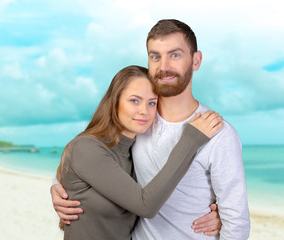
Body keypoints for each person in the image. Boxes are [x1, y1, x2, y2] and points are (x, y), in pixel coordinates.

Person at [53, 19, 251, 239]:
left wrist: (222, 215)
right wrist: (59, 187)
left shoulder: (217, 133)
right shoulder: (140, 124)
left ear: (196, 61)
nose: (164, 65)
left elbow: (236, 221)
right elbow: (97, 156)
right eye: (155, 56)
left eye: (175, 55)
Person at [56, 65, 223, 240]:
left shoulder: (135, 152)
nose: (144, 111)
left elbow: (164, 192)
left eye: (152, 103)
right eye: (134, 100)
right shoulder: (87, 147)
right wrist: (191, 140)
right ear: (115, 101)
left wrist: (216, 213)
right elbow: (146, 205)